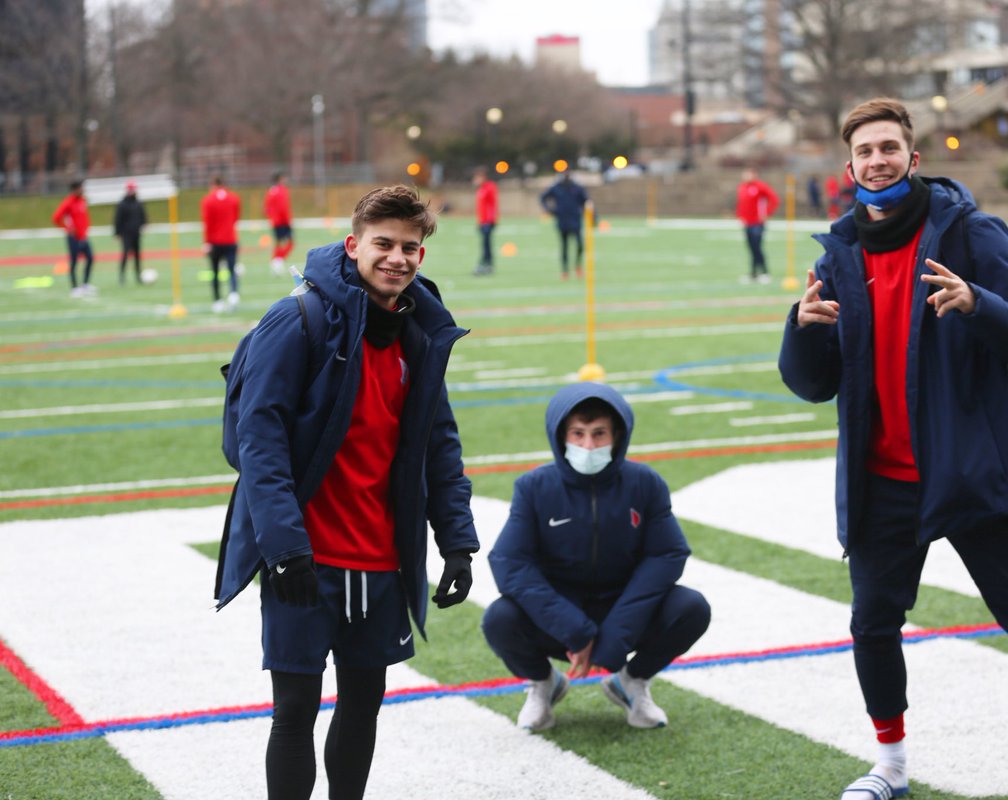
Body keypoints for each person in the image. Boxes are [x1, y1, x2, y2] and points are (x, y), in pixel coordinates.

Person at [777, 98, 1008, 800]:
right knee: (872, 627)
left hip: (974, 470)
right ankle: (891, 766)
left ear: (913, 157)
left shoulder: (970, 233)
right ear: (850, 166)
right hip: (884, 480)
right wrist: (800, 329)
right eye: (865, 151)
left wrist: (978, 303)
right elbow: (813, 385)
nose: (878, 160)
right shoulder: (839, 253)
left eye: (889, 147)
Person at [214, 184, 479, 800]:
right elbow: (260, 440)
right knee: (296, 708)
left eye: (411, 248)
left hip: (383, 560)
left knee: (363, 707)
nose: (399, 258)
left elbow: (438, 444)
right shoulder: (297, 317)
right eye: (384, 244)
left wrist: (458, 543)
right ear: (353, 244)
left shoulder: (419, 331)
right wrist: (284, 546)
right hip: (305, 557)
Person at [482, 383, 711, 732]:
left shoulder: (645, 483)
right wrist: (573, 629)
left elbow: (667, 553)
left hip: (623, 611)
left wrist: (616, 634)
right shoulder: (533, 487)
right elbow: (510, 562)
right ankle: (544, 683)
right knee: (499, 618)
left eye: (599, 434)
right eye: (578, 434)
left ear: (618, 436)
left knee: (691, 608)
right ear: (561, 437)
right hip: (558, 616)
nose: (588, 446)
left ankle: (631, 682)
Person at [201, 175, 241, 312]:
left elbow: (208, 223)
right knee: (232, 269)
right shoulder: (233, 198)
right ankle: (234, 294)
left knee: (215, 272)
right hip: (230, 239)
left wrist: (206, 242)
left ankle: (217, 300)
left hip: (215, 241)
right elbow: (236, 217)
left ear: (213, 184)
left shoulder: (208, 200)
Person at [539, 170, 589, 279]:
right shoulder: (557, 187)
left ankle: (578, 265)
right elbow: (543, 197)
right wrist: (550, 210)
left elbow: (586, 201)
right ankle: (565, 270)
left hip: (575, 221)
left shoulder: (577, 187)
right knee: (564, 246)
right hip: (562, 221)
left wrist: (592, 216)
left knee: (580, 245)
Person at [735, 168, 779, 284]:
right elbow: (742, 204)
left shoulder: (761, 186)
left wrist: (767, 213)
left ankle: (765, 272)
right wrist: (740, 217)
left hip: (757, 224)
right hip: (747, 223)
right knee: (751, 249)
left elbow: (774, 199)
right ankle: (753, 273)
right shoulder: (742, 187)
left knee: (758, 248)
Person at [52, 180, 95, 297]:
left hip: (83, 237)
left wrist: (86, 229)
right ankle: (74, 288)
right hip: (73, 237)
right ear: (75, 190)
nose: (83, 190)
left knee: (90, 258)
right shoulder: (68, 202)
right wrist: (67, 228)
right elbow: (56, 217)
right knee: (74, 261)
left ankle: (85, 284)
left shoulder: (82, 200)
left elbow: (84, 217)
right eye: (80, 188)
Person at [113, 181, 147, 285]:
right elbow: (118, 219)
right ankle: (122, 276)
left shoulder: (138, 203)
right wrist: (117, 233)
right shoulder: (122, 204)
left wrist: (144, 224)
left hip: (136, 233)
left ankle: (138, 276)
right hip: (126, 234)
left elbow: (142, 215)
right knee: (125, 255)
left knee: (137, 255)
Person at [265, 171, 294, 276]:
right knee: (291, 243)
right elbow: (283, 208)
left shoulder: (271, 191)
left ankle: (276, 262)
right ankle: (277, 261)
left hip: (276, 222)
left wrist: (272, 219)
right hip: (283, 222)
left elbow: (267, 208)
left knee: (279, 243)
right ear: (280, 179)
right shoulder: (282, 190)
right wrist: (287, 221)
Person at [472, 166, 498, 276]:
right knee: (484, 244)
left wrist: (491, 220)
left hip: (488, 221)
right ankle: (486, 264)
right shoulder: (481, 189)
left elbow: (493, 205)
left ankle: (487, 264)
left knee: (486, 244)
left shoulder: (490, 187)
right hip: (482, 221)